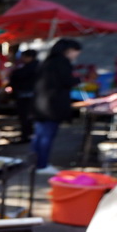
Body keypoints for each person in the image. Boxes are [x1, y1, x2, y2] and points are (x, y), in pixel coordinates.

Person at [31, 38, 82, 174]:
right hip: (52, 105)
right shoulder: (62, 62)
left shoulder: (47, 61)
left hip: (39, 103)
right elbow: (66, 81)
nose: (77, 54)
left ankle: (36, 162)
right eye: (76, 51)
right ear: (69, 51)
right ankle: (42, 165)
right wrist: (79, 79)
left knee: (39, 135)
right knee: (47, 135)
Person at [7, 49, 39, 143]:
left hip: (27, 96)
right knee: (27, 117)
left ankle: (27, 136)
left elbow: (17, 76)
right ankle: (28, 135)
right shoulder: (31, 66)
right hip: (28, 95)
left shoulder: (31, 68)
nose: (22, 59)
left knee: (26, 117)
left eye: (24, 57)